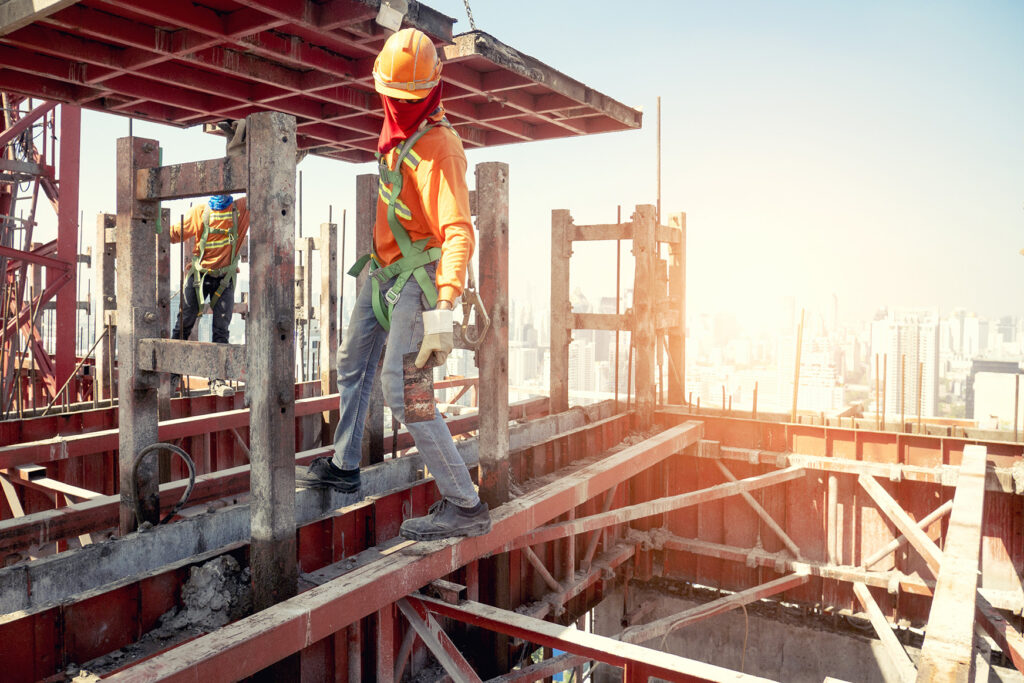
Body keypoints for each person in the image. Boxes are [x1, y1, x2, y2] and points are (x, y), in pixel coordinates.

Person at [301, 27, 491, 542]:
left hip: (420, 282)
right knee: (352, 361)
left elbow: (457, 232)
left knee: (405, 391)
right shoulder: (398, 135)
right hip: (385, 271)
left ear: (429, 93)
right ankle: (344, 464)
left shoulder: (441, 149)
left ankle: (464, 503)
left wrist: (444, 311)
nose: (398, 106)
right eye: (393, 97)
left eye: (408, 99)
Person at [169, 192, 249, 397]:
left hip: (224, 279)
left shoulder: (241, 209)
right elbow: (174, 234)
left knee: (221, 331)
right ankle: (172, 374)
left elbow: (262, 190)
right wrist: (151, 227)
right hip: (199, 277)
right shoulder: (200, 212)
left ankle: (217, 379)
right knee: (184, 324)